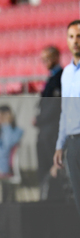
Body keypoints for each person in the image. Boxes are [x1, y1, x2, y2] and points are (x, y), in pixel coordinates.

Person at [54, 21, 80, 212]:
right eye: (71, 37)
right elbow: (65, 110)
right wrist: (59, 145)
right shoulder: (66, 74)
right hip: (72, 143)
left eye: (79, 36)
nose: (75, 41)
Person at [35, 46, 63, 199]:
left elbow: (55, 106)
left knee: (54, 169)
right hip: (45, 132)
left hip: (53, 133)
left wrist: (40, 119)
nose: (45, 62)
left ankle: (56, 200)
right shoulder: (52, 78)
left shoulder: (61, 78)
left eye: (47, 58)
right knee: (44, 170)